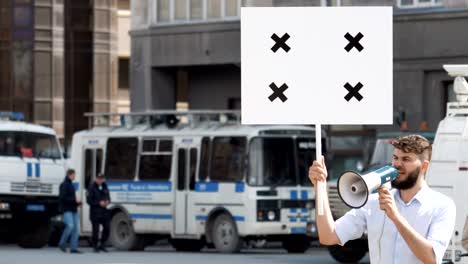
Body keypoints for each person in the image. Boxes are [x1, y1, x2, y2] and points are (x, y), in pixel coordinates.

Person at [309, 134, 456, 264]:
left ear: (424, 166)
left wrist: (396, 217)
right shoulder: (373, 203)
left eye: (406, 159)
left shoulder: (442, 206)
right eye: (395, 158)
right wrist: (319, 187)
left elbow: (431, 258)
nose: (398, 164)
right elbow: (328, 236)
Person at [58, 169, 82, 254]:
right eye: (74, 175)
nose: (74, 177)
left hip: (73, 209)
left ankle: (73, 248)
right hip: (66, 209)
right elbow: (63, 198)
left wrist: (78, 203)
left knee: (76, 229)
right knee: (70, 226)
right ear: (69, 175)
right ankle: (62, 243)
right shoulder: (64, 185)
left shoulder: (71, 184)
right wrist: (74, 201)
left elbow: (71, 198)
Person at [87, 173, 111, 252]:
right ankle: (95, 246)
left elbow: (108, 197)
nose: (100, 180)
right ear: (96, 179)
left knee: (107, 228)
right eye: (99, 178)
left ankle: (102, 244)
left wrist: (108, 201)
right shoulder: (91, 187)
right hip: (95, 212)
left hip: (104, 212)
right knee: (95, 230)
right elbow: (89, 200)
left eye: (102, 178)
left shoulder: (105, 186)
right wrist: (98, 203)